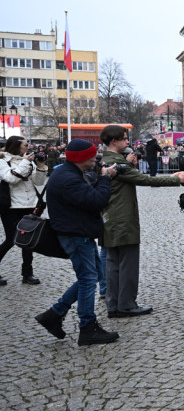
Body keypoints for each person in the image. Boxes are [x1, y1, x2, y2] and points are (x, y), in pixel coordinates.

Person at [34, 139, 120, 346]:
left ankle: (55, 313)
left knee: (92, 275)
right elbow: (96, 201)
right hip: (75, 234)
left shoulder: (68, 172)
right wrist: (106, 179)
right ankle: (87, 327)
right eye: (92, 156)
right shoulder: (68, 179)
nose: (95, 159)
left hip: (78, 231)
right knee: (88, 279)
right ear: (83, 158)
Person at [101, 125, 184, 318]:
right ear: (114, 141)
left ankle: (114, 304)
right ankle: (126, 305)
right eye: (124, 139)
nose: (128, 142)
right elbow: (145, 179)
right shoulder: (116, 164)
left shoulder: (107, 160)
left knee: (113, 263)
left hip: (111, 219)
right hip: (122, 219)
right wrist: (176, 179)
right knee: (127, 264)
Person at [0, 136, 47, 285]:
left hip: (29, 204)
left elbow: (39, 182)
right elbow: (11, 178)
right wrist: (26, 162)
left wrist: (40, 166)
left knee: (28, 240)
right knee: (11, 239)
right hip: (11, 207)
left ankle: (28, 273)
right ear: (16, 147)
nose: (29, 148)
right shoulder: (3, 161)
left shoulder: (28, 160)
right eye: (26, 145)